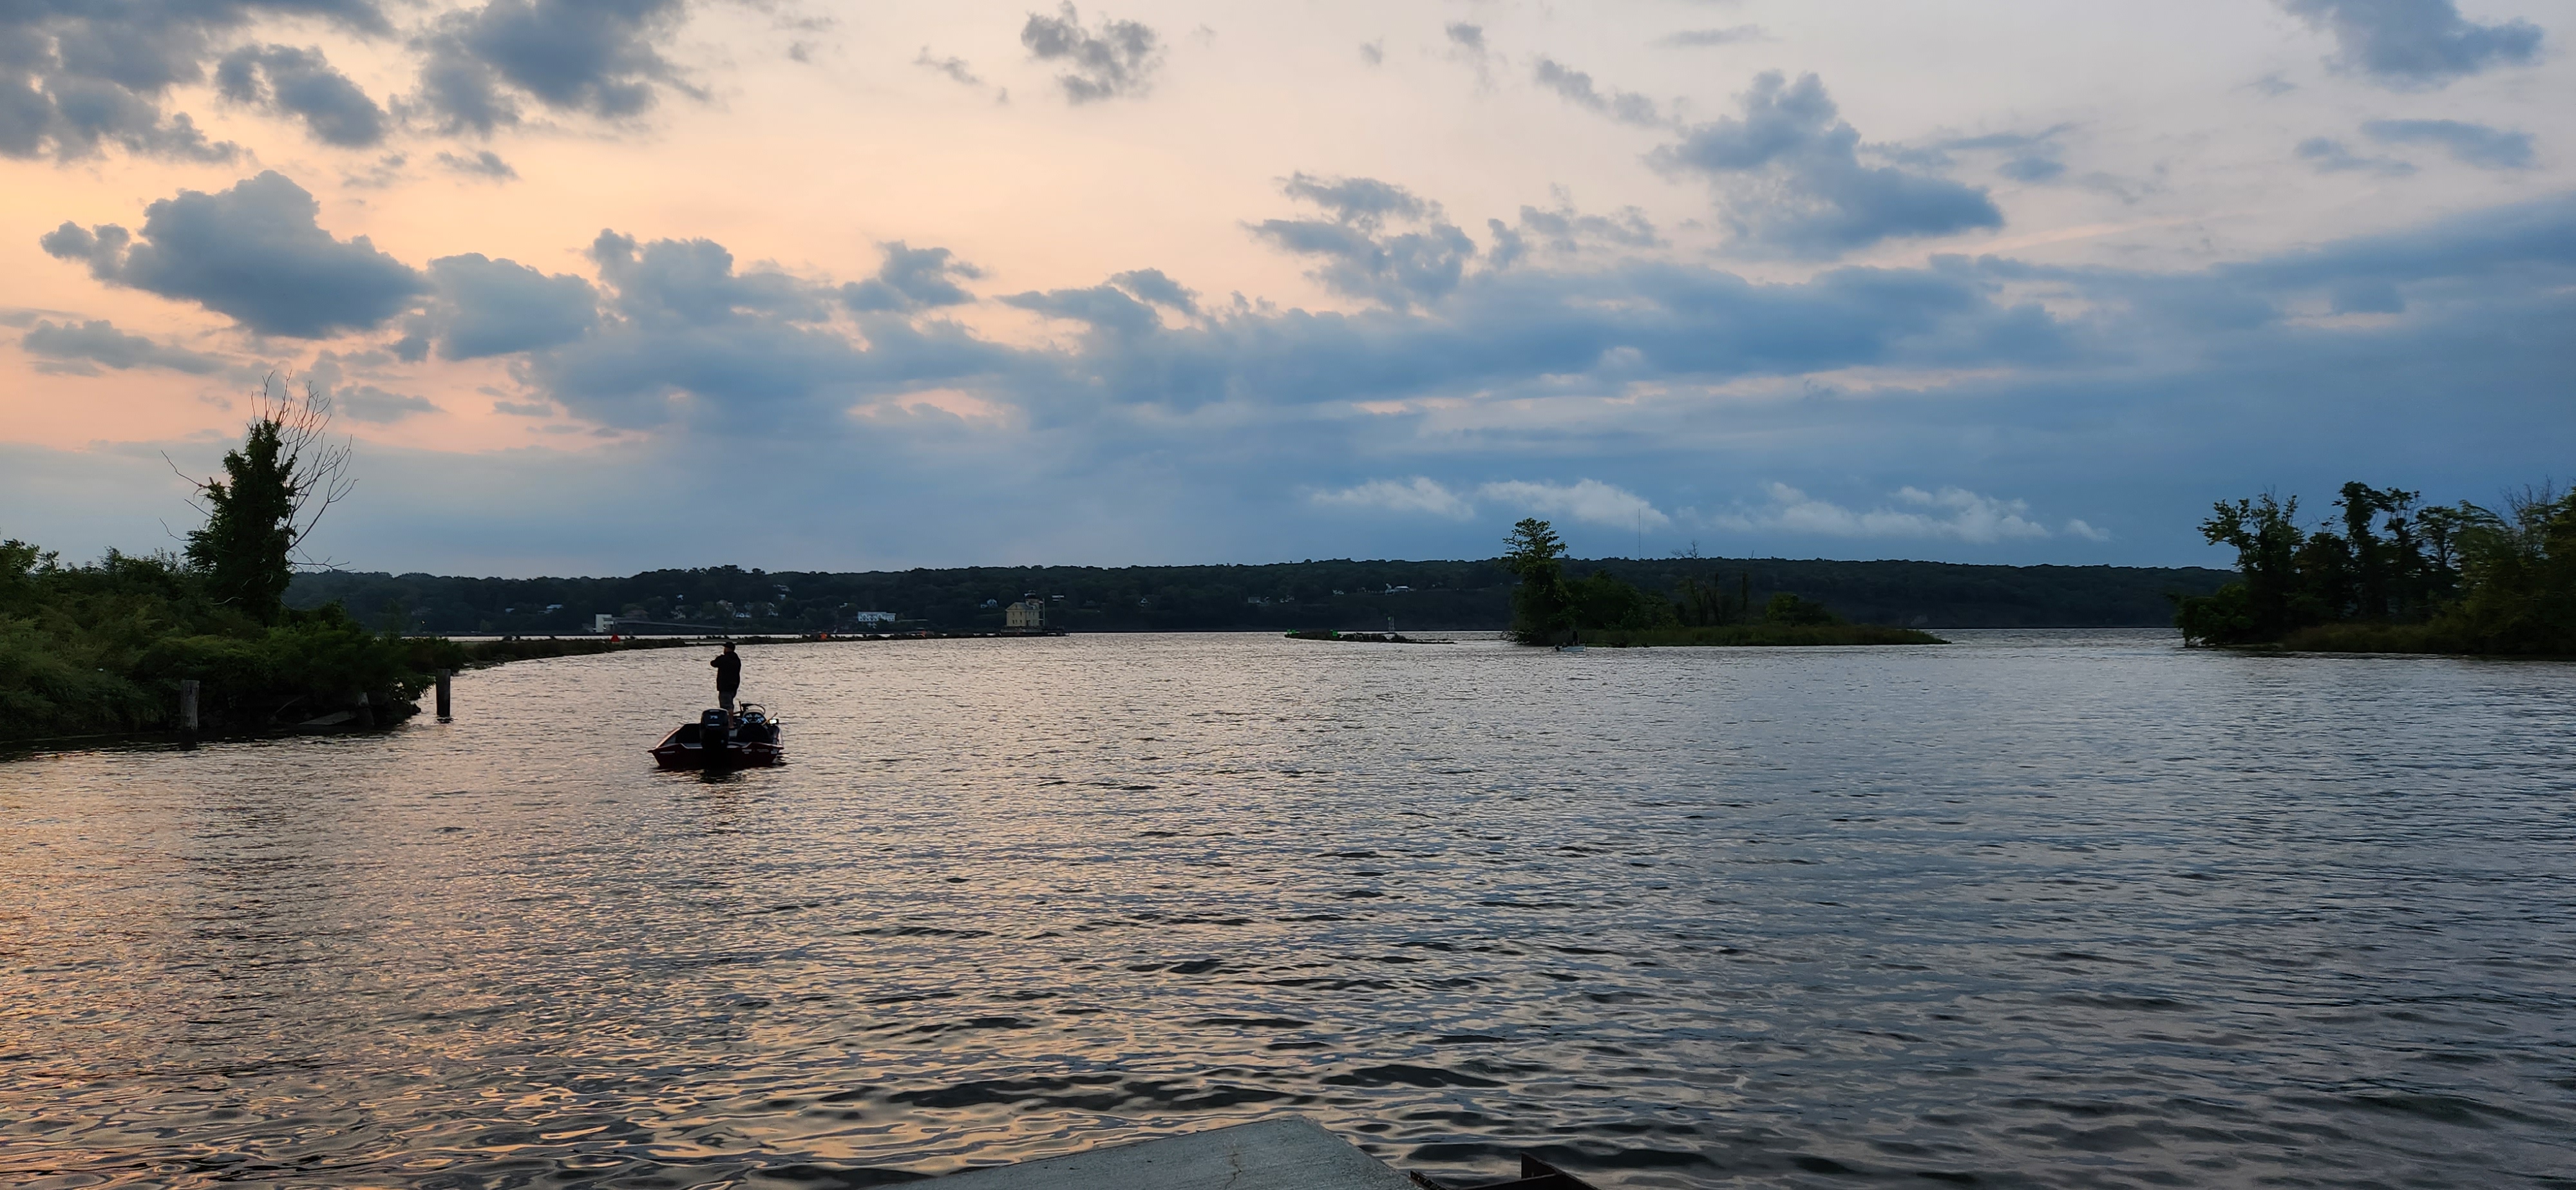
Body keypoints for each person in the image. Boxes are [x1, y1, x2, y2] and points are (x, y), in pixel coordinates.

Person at [711, 643, 741, 711]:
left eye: (725, 648)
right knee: (730, 704)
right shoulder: (737, 659)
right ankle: (731, 716)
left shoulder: (724, 659)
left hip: (725, 686)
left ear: (727, 649)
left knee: (726, 706)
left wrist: (718, 658)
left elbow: (713, 663)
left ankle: (729, 717)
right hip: (734, 686)